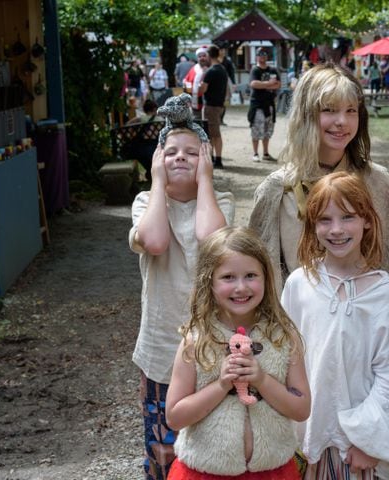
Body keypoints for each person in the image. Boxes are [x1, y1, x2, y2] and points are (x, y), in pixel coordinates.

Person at [248, 62, 389, 345]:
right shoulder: (276, 190)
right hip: (302, 336)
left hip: (368, 335)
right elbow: (263, 273)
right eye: (328, 110)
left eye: (350, 110)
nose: (341, 121)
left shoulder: (377, 183)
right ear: (306, 115)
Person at [129, 96, 234, 480]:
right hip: (160, 348)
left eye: (192, 152)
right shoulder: (146, 202)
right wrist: (157, 183)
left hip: (211, 347)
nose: (179, 158)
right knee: (163, 446)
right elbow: (154, 242)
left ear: (206, 158)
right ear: (157, 159)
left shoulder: (220, 202)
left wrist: (205, 181)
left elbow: (212, 241)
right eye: (169, 151)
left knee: (211, 439)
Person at [281, 171, 389, 479]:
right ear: (312, 226)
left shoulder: (381, 292)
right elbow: (280, 355)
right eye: (324, 219)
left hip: (355, 450)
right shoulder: (300, 283)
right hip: (302, 440)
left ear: (366, 220)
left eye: (347, 217)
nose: (336, 230)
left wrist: (368, 442)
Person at [165, 226, 310, 479]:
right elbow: (175, 417)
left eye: (251, 275)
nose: (241, 287)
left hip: (273, 471)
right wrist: (221, 385)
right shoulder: (195, 341)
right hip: (204, 472)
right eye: (228, 277)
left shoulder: (283, 338)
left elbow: (301, 409)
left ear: (266, 278)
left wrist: (262, 381)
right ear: (208, 282)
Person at [198, 45, 229, 170]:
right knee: (215, 132)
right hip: (220, 105)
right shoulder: (223, 69)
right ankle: (216, 158)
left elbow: (202, 90)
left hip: (211, 105)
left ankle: (216, 160)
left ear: (210, 56)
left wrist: (200, 85)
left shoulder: (210, 71)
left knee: (212, 134)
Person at [248, 48, 280, 162]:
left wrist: (264, 85)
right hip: (257, 105)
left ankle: (266, 153)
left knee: (268, 129)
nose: (262, 56)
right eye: (260, 54)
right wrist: (269, 84)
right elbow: (253, 84)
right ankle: (255, 153)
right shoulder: (255, 70)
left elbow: (278, 84)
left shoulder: (272, 70)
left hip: (269, 104)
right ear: (256, 56)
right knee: (256, 129)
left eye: (264, 54)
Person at [126, 99, 164, 182]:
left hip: (141, 148)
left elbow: (127, 124)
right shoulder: (160, 119)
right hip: (156, 146)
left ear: (144, 109)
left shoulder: (140, 118)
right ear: (155, 109)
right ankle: (151, 173)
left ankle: (150, 172)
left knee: (145, 158)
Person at [183, 47, 210, 117]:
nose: (202, 58)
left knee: (208, 120)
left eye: (204, 56)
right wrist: (188, 89)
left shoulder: (211, 68)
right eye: (199, 56)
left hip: (209, 98)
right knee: (197, 119)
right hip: (196, 98)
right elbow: (186, 81)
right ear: (197, 58)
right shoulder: (194, 69)